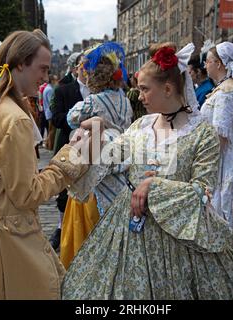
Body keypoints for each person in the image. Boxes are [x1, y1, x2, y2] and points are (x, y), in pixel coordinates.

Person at [61, 43, 233, 300]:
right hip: (130, 226)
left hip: (180, 236)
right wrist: (98, 130)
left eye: (144, 89)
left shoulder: (202, 133)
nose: (139, 96)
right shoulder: (141, 125)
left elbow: (202, 190)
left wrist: (153, 186)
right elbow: (111, 157)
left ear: (167, 89)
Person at [0, 29, 92, 300]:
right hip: (7, 250)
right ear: (21, 63)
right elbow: (27, 194)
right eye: (43, 68)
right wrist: (73, 157)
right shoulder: (14, 119)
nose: (46, 78)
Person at [61, 42, 133, 269]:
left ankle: (87, 268)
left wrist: (91, 120)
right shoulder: (124, 99)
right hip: (121, 161)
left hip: (97, 164)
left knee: (88, 224)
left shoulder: (93, 101)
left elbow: (71, 118)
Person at [200, 42, 233, 255]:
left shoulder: (226, 93)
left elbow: (220, 135)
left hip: (222, 159)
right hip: (228, 153)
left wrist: (204, 163)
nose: (205, 65)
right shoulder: (227, 88)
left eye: (209, 61)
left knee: (221, 206)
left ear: (220, 64)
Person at [48, 53, 90, 251]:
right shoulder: (63, 90)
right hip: (70, 144)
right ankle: (60, 227)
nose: (88, 70)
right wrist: (79, 121)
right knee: (65, 192)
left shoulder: (100, 91)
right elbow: (55, 118)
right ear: (76, 68)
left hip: (95, 151)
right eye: (85, 66)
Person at [43, 75, 59, 150]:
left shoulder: (47, 88)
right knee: (51, 130)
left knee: (50, 130)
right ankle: (49, 145)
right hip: (50, 113)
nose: (57, 81)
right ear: (52, 80)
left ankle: (48, 144)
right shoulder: (49, 89)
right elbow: (51, 102)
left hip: (47, 112)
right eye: (55, 80)